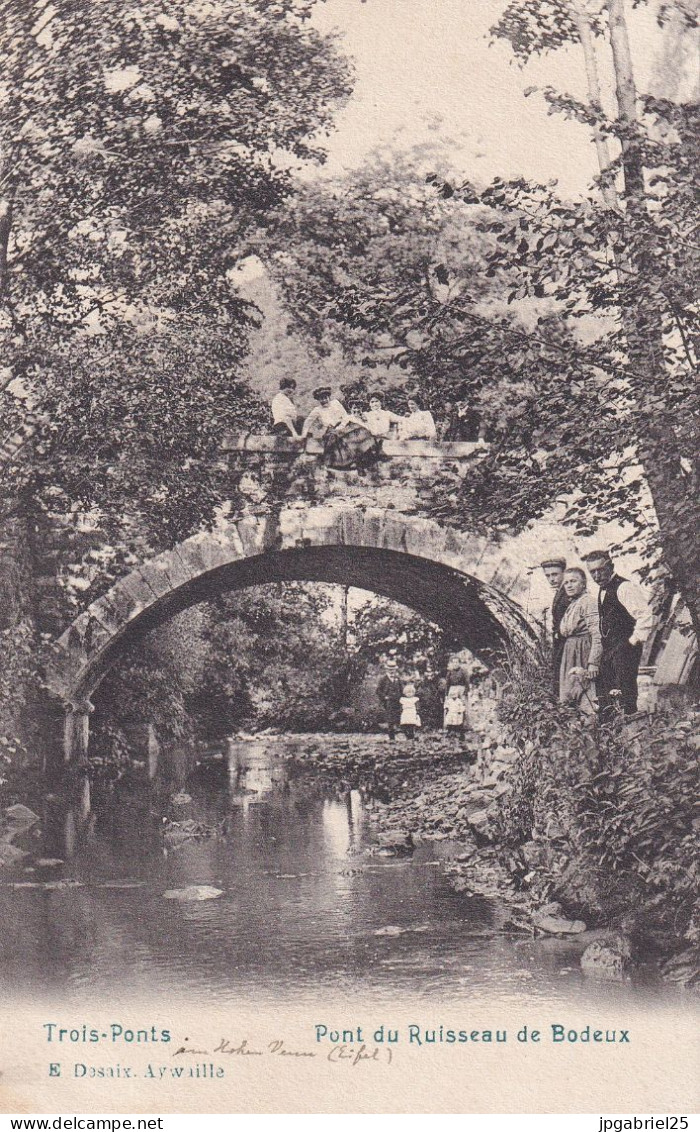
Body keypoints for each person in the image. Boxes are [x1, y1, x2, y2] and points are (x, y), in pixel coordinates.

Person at [582, 550, 654, 718]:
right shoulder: (601, 591)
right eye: (593, 571)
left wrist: (632, 642)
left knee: (625, 694)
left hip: (624, 648)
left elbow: (645, 616)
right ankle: (610, 735)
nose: (597, 575)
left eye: (601, 569)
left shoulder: (624, 587)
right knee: (606, 695)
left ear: (611, 567)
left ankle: (629, 733)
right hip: (609, 649)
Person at [557, 567, 602, 716]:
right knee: (569, 698)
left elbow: (597, 633)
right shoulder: (573, 604)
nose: (569, 585)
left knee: (585, 695)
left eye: (573, 581)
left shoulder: (588, 602)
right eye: (566, 582)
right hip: (570, 653)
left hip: (583, 651)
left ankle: (592, 731)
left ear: (583, 583)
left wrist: (593, 662)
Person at [540, 556, 571, 699]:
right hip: (560, 643)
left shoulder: (568, 593)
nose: (551, 579)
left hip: (567, 643)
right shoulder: (560, 593)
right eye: (548, 576)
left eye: (555, 574)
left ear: (564, 573)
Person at [376, 657, 402, 740]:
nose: (392, 671)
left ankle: (401, 733)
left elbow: (401, 689)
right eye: (390, 669)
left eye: (393, 669)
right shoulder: (383, 679)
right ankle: (391, 737)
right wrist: (384, 697)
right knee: (390, 719)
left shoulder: (397, 679)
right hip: (389, 702)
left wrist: (402, 697)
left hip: (397, 701)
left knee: (398, 717)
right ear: (386, 670)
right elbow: (378, 691)